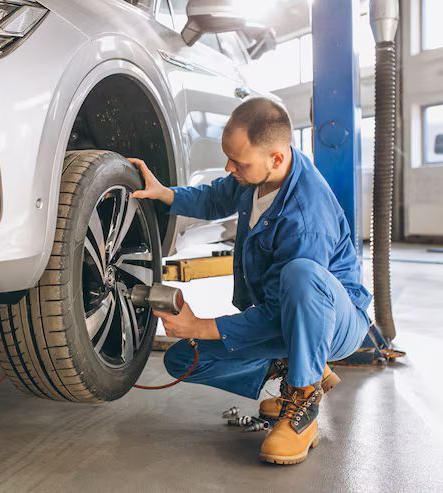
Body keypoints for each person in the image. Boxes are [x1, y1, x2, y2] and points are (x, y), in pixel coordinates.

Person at [127, 97, 371, 465]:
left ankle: (303, 404)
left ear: (276, 157)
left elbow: (278, 314)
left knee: (300, 273)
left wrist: (202, 325)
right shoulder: (257, 175)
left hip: (337, 321)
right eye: (229, 158)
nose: (229, 167)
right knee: (184, 360)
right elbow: (213, 199)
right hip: (289, 315)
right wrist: (166, 194)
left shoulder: (306, 216)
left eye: (238, 162)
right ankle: (296, 370)